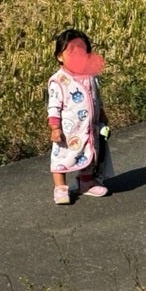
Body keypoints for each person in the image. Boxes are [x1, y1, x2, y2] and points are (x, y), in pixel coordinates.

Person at [47, 28, 114, 205]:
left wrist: (102, 115)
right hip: (68, 130)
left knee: (89, 152)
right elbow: (54, 106)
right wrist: (55, 128)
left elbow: (96, 98)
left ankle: (87, 182)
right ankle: (60, 187)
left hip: (88, 126)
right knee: (62, 156)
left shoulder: (91, 76)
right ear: (60, 57)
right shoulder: (59, 80)